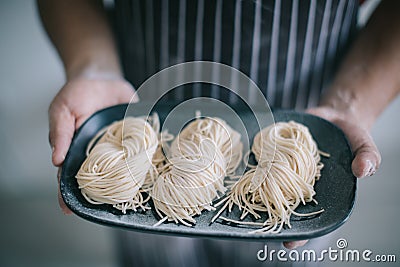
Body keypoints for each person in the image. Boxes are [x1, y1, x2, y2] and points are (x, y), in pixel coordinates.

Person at [37, 0, 399, 266]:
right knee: (153, 254)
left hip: (307, 113)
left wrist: (351, 103)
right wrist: (94, 67)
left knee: (284, 252)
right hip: (139, 101)